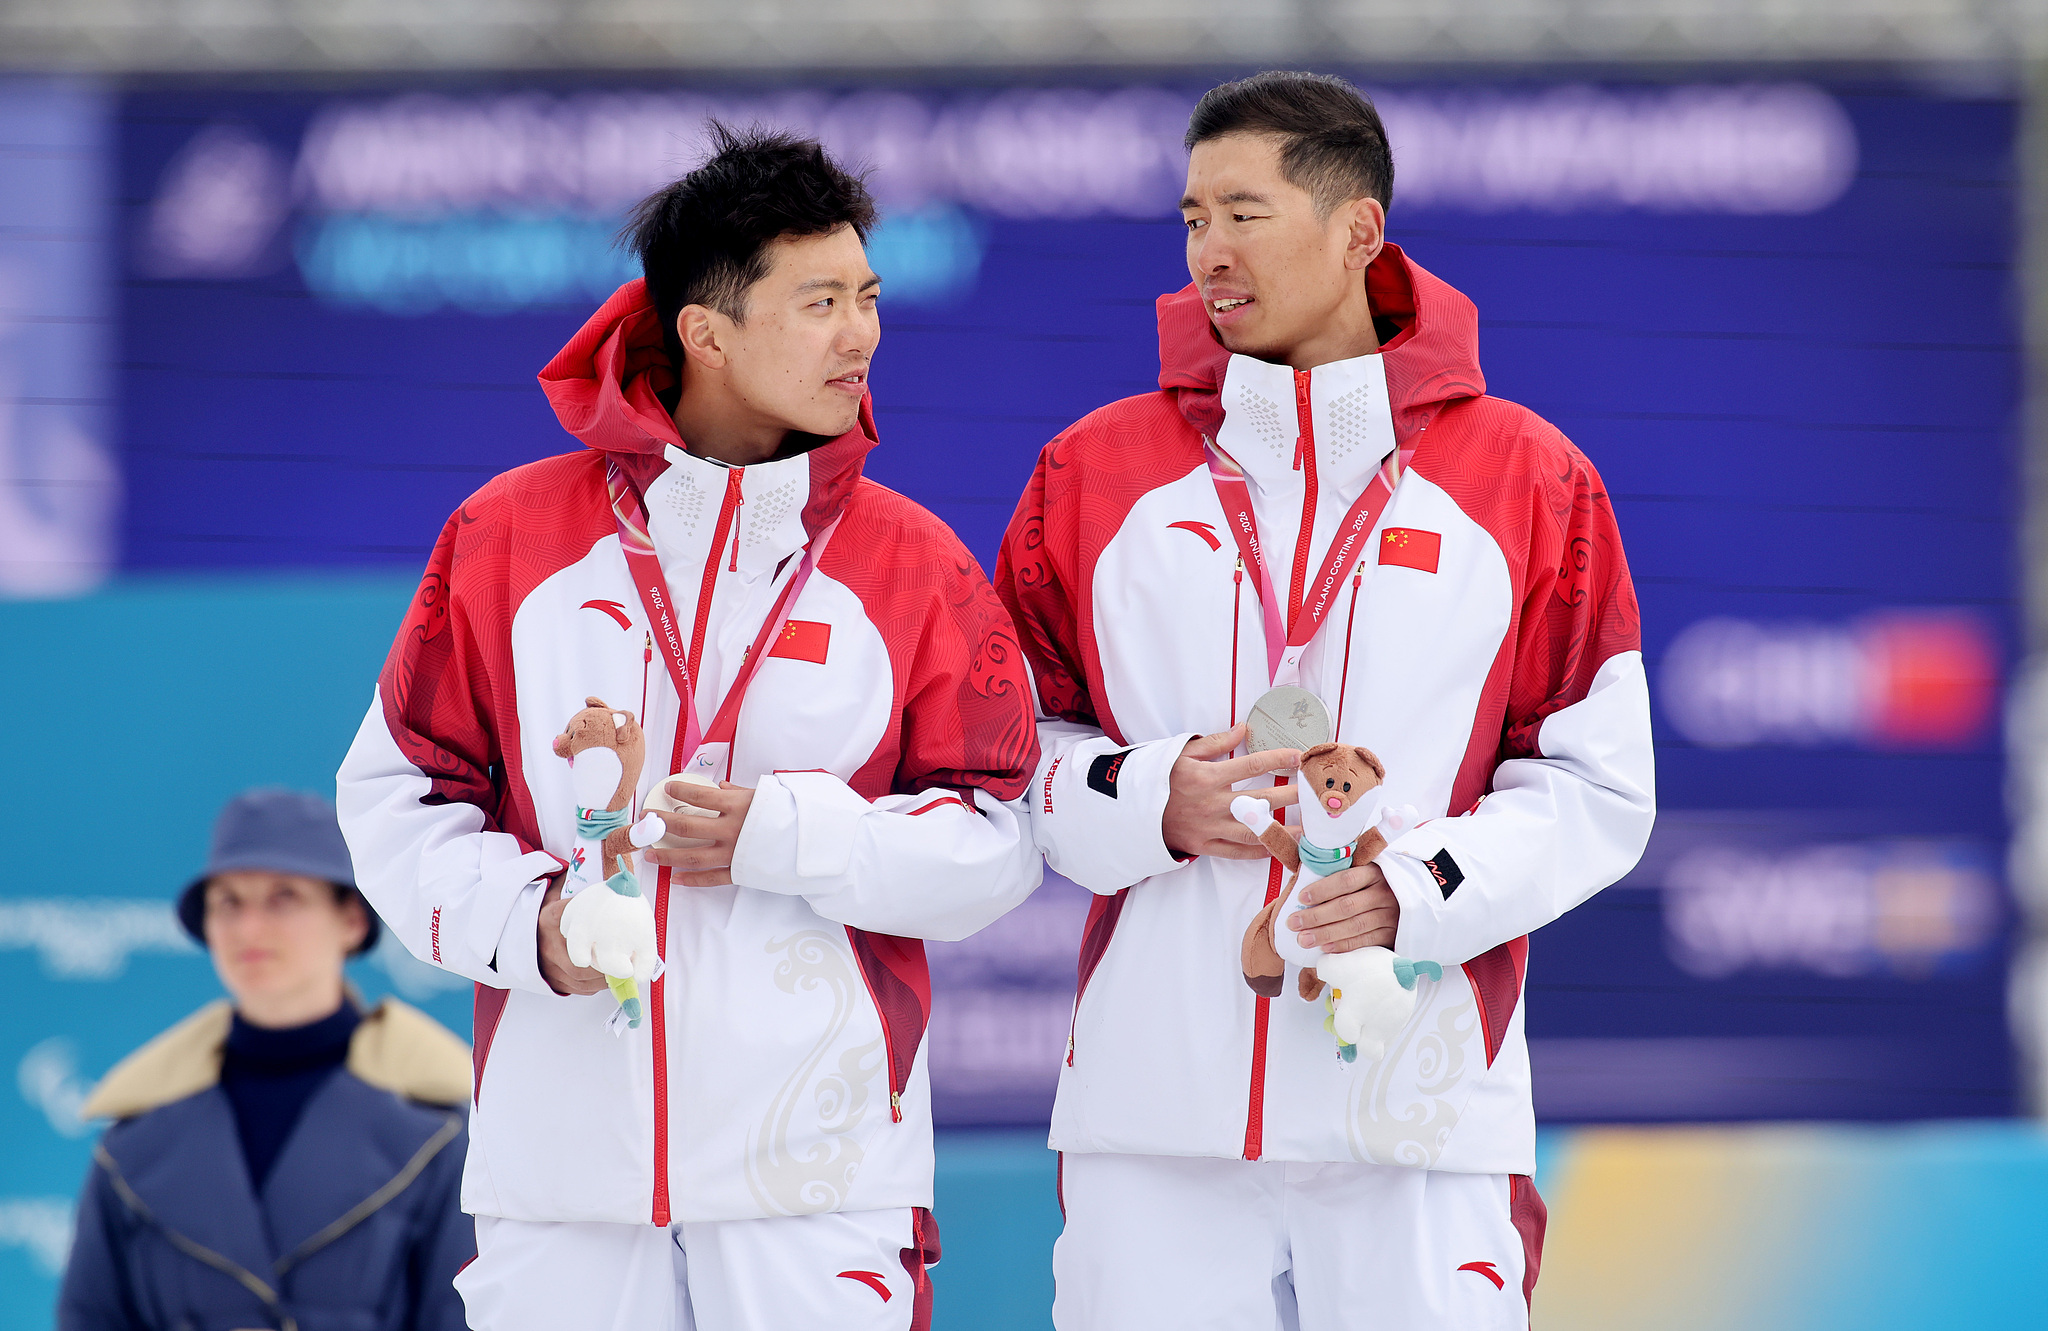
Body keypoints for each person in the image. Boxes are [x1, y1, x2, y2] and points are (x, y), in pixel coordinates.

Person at [335, 124, 1040, 1331]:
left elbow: (997, 838)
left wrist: (791, 836)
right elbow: (397, 795)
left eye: (866, 296)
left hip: (818, 1183)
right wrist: (535, 925)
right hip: (561, 1184)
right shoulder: (508, 538)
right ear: (705, 332)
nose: (859, 333)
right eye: (818, 301)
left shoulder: (910, 559)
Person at [994, 71, 1655, 1329]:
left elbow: (1596, 784)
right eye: (1190, 218)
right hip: (1155, 1115)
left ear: (1357, 231)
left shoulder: (1527, 476)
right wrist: (1150, 799)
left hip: (1417, 1099)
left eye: (1242, 212)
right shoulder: (1092, 471)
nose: (1208, 253)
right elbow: (1003, 755)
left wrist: (1421, 887)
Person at [59, 788, 475, 1331]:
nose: (249, 928)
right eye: (228, 902)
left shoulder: (441, 1128)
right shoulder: (132, 1137)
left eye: (283, 897)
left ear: (350, 919)